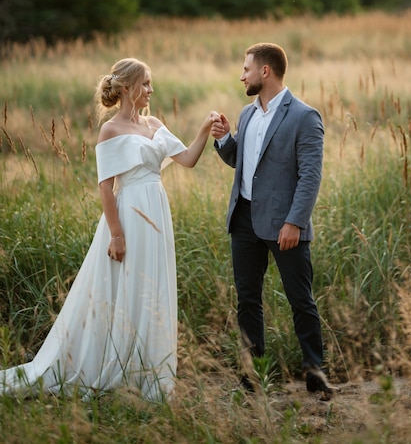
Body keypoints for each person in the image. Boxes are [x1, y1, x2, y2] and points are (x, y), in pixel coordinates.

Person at [1, 57, 220, 401]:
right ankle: (114, 366)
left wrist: (205, 129)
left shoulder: (155, 123)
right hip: (129, 214)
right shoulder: (111, 130)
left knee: (151, 286)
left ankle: (147, 370)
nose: (151, 89)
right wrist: (116, 235)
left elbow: (189, 158)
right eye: (145, 83)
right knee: (124, 285)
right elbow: (106, 187)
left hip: (157, 212)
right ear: (127, 88)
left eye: (150, 83)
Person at [211, 42, 335, 398]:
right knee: (248, 300)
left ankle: (316, 373)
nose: (241, 75)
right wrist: (224, 140)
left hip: (285, 224)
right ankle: (253, 376)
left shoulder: (304, 116)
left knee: (301, 300)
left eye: (246, 69)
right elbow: (244, 163)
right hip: (244, 219)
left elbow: (311, 175)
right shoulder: (247, 114)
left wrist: (295, 222)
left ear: (264, 71)